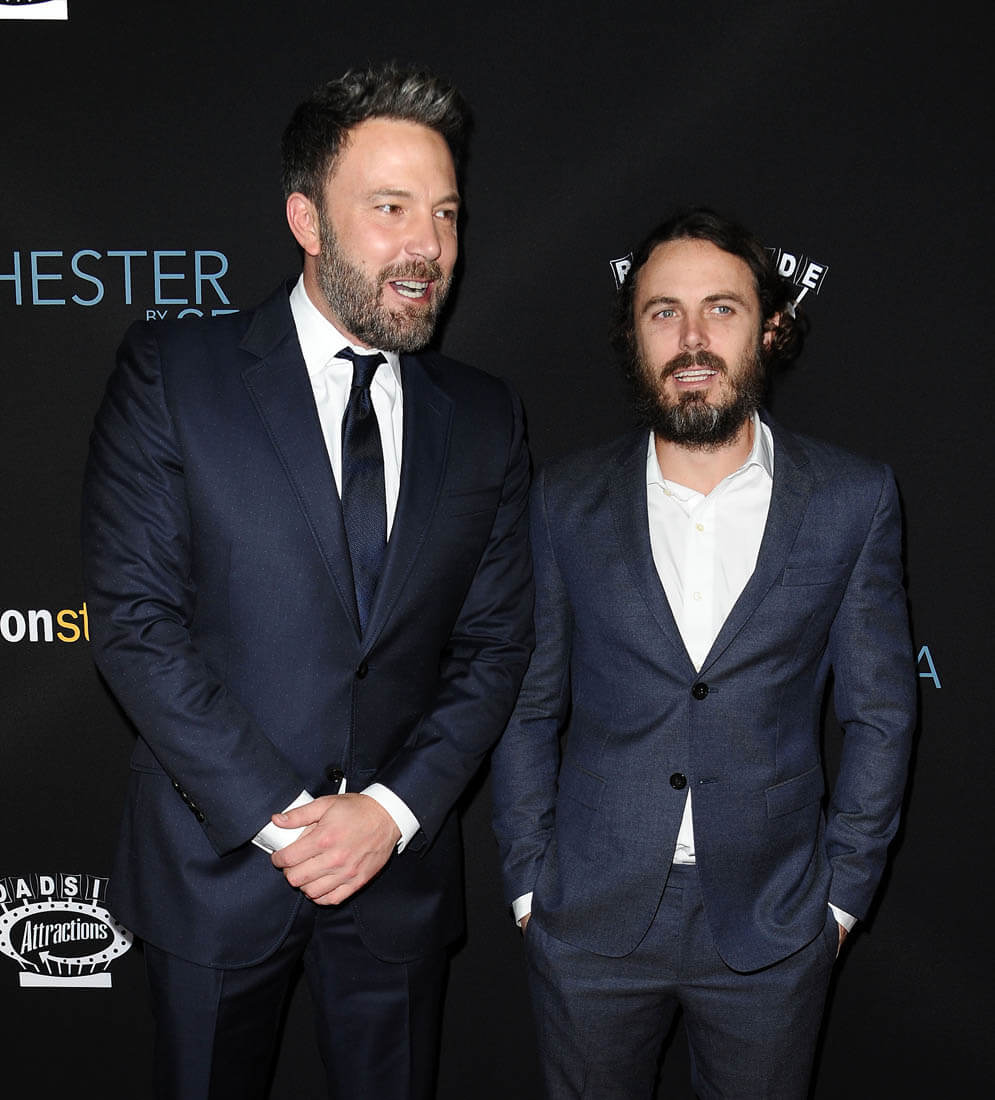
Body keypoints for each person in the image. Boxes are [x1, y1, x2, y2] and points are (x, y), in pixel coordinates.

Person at [82, 61, 533, 1100]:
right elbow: (136, 622)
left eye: (445, 214)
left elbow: (495, 643)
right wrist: (286, 817)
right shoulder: (175, 372)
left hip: (396, 874)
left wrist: (389, 811)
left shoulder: (485, 415)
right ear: (306, 219)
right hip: (216, 864)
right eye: (389, 208)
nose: (427, 246)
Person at [491, 207, 914, 1099]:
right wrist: (530, 884)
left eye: (720, 309)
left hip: (773, 921)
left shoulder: (852, 499)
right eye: (663, 312)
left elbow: (879, 712)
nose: (691, 338)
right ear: (634, 336)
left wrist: (839, 900)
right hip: (588, 917)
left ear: (769, 328)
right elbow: (527, 704)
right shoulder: (563, 500)